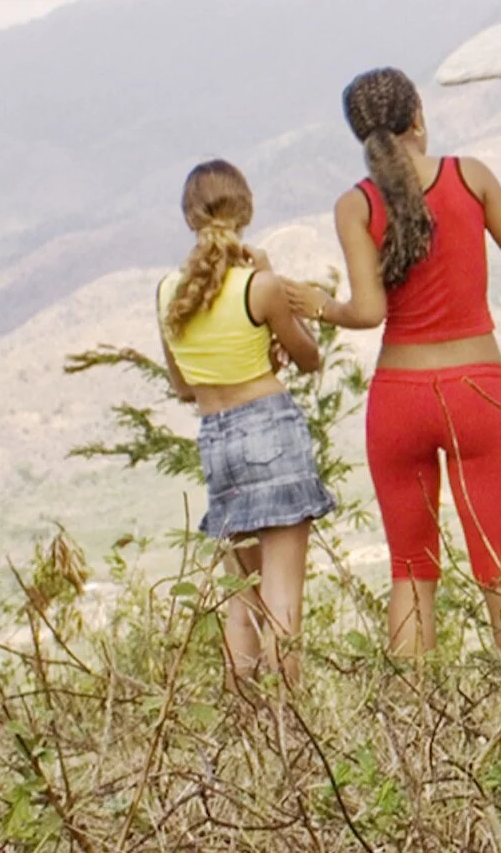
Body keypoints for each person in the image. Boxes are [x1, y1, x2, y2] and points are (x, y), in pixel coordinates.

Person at [289, 67, 501, 661]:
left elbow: (370, 311)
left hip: (398, 399)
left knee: (410, 570)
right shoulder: (470, 177)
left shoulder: (355, 205)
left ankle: (411, 732)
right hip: (475, 392)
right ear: (420, 117)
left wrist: (322, 307)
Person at [156, 160, 335, 686]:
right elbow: (310, 357)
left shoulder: (168, 291)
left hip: (217, 440)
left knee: (242, 595)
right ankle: (290, 727)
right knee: (283, 594)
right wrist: (271, 275)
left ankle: (247, 727)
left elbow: (184, 386)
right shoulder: (259, 285)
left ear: (189, 216)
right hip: (272, 429)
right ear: (246, 211)